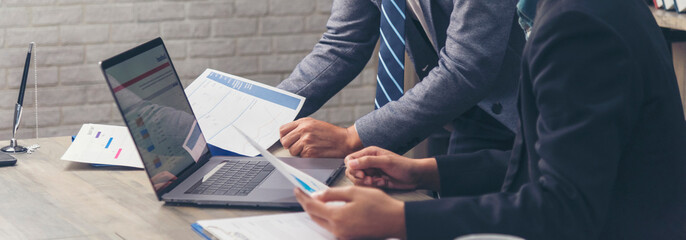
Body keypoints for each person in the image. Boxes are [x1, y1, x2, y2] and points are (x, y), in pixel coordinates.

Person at [294, 0, 686, 239]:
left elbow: (564, 211)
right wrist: (423, 172)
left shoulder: (577, 26)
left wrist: (401, 219)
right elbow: (543, 165)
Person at [277, 0, 525, 158]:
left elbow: (466, 68)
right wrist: (267, 112)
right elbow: (343, 43)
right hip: (459, 109)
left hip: (529, 112)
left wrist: (353, 137)